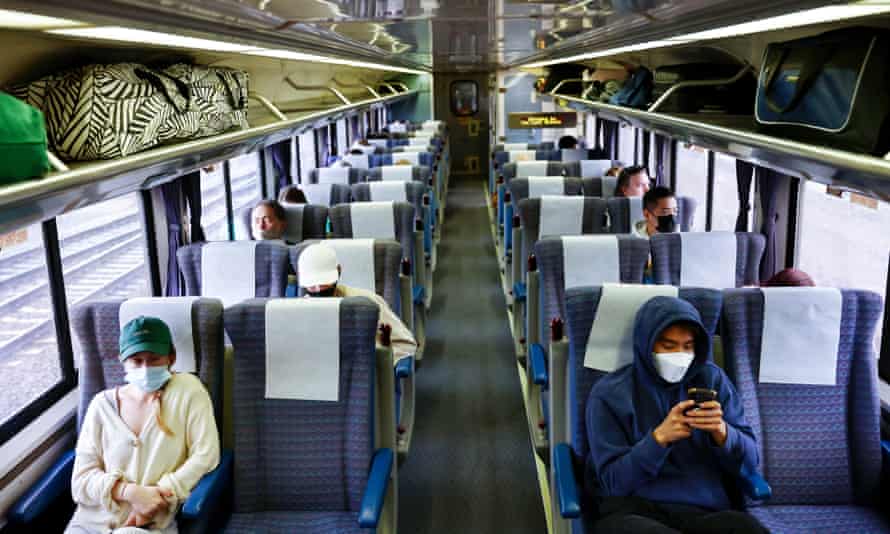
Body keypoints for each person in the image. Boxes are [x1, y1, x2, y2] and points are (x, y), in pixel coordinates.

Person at [587, 297, 766, 534]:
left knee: (747, 529)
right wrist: (658, 440)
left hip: (704, 510)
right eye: (668, 346)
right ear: (646, 345)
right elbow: (613, 482)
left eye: (688, 346)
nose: (680, 355)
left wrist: (722, 433)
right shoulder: (610, 394)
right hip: (634, 510)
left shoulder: (712, 380)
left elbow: (751, 461)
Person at [66, 317, 220, 534]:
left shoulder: (189, 391)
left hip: (150, 526)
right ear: (122, 360)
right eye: (136, 361)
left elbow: (206, 455)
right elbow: (81, 483)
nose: (145, 368)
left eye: (154, 359)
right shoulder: (101, 405)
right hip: (90, 524)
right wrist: (131, 492)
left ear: (171, 357)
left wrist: (159, 496)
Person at [297, 243, 417, 361]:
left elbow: (406, 344)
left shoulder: (367, 303)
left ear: (339, 271)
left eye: (323, 282)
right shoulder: (298, 312)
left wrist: (380, 360)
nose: (318, 289)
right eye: (312, 285)